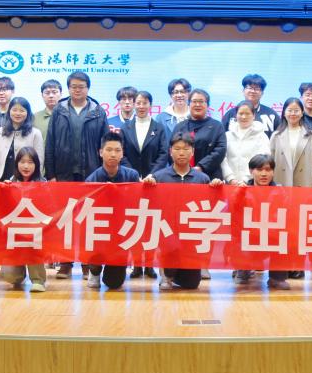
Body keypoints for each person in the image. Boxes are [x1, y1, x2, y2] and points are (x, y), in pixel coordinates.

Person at [44, 71, 108, 279]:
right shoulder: (59, 110)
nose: (77, 90)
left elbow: (104, 145)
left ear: (88, 88)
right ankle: (65, 263)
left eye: (81, 86)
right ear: (68, 88)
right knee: (65, 220)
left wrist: (102, 174)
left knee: (88, 219)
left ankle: (88, 262)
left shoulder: (98, 112)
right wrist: (51, 174)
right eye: (73, 86)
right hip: (63, 173)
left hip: (91, 174)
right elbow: (50, 142)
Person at [143, 134, 223, 290]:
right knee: (170, 249)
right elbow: (148, 203)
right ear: (170, 151)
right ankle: (166, 273)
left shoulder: (202, 178)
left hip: (190, 233)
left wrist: (216, 188)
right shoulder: (159, 177)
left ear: (192, 152)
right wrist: (148, 185)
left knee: (192, 284)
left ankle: (174, 272)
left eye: (186, 149)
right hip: (167, 231)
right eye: (177, 149)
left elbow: (211, 207)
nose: (181, 153)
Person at [120, 91, 169, 279]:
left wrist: (151, 175)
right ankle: (136, 265)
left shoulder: (159, 127)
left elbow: (163, 154)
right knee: (133, 223)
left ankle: (149, 265)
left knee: (150, 224)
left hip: (153, 183)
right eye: (138, 103)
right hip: (131, 183)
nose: (141, 106)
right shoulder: (125, 127)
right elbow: (122, 153)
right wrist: (134, 175)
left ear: (151, 105)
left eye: (145, 103)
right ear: (134, 104)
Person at [84, 133, 141, 290]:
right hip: (99, 231)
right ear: (101, 152)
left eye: (117, 150)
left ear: (122, 153)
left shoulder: (132, 175)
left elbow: (138, 203)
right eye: (109, 150)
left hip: (122, 232)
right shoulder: (91, 180)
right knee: (93, 248)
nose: (113, 154)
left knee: (114, 283)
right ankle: (94, 271)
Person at [233, 155, 292, 289]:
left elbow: (286, 215)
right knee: (237, 241)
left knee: (284, 240)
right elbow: (233, 214)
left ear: (273, 172)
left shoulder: (280, 191)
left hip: (271, 234)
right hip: (247, 235)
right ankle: (243, 270)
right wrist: (238, 194)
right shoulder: (242, 189)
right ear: (251, 171)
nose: (264, 174)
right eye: (259, 170)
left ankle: (276, 278)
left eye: (268, 170)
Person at [0, 147, 48, 292]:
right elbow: (2, 209)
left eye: (30, 162)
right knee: (9, 275)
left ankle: (38, 280)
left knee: (32, 244)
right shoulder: (10, 182)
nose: (26, 166)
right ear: (17, 164)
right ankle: (19, 275)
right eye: (22, 162)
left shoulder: (43, 184)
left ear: (36, 165)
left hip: (36, 233)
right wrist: (4, 192)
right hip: (15, 233)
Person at [174, 89, 227, 180]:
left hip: (210, 176)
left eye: (201, 101)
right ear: (189, 104)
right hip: (182, 175)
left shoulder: (217, 126)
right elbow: (172, 149)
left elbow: (220, 150)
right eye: (194, 101)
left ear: (207, 105)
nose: (197, 105)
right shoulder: (180, 126)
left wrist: (201, 166)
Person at [0, 97, 44, 182]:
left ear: (28, 113)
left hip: (24, 181)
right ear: (9, 111)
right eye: (14, 110)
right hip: (0, 179)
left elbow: (39, 161)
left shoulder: (35, 133)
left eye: (22, 111)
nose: (18, 113)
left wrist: (34, 182)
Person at [220, 100, 270, 186]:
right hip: (230, 184)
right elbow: (222, 159)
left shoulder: (262, 136)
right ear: (236, 115)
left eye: (247, 114)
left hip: (252, 183)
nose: (244, 117)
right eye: (241, 113)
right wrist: (230, 178)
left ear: (254, 116)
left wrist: (246, 180)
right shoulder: (227, 136)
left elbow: (262, 161)